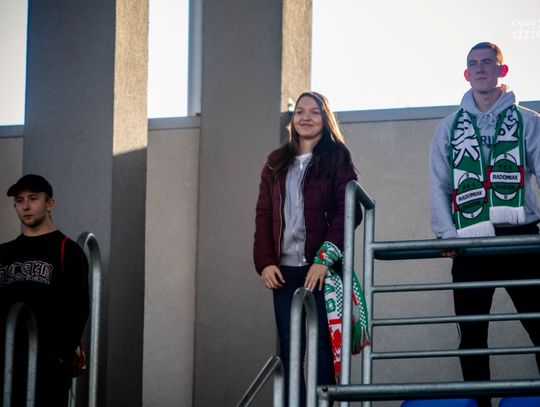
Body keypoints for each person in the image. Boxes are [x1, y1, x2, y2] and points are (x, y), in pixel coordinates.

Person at [429, 42, 540, 406]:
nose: (480, 68)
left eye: (487, 62)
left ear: (501, 70)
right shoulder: (449, 128)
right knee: (473, 336)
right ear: (466, 74)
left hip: (521, 239)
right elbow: (440, 183)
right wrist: (447, 234)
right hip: (470, 241)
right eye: (473, 64)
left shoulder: (529, 121)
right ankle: (480, 405)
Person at [253, 91, 362, 405]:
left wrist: (324, 259)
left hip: (321, 271)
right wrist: (265, 262)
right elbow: (263, 215)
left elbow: (350, 211)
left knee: (322, 351)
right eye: (300, 111)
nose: (305, 117)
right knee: (291, 351)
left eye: (314, 112)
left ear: (325, 119)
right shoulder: (275, 162)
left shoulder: (337, 157)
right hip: (284, 273)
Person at [0, 174, 89, 407]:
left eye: (33, 198)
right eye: (19, 200)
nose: (25, 206)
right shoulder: (4, 252)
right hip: (7, 361)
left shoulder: (68, 250)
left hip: (48, 368)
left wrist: (60, 357)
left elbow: (78, 308)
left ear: (49, 204)